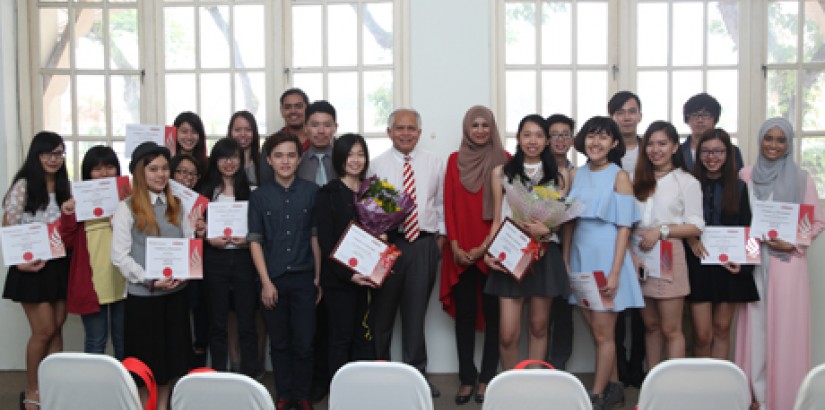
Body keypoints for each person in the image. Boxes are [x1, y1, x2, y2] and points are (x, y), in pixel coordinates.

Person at [735, 118, 824, 410]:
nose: (773, 145)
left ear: (788, 144)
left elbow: (817, 222)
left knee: (785, 330)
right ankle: (756, 397)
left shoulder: (802, 179)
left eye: (780, 140)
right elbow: (739, 220)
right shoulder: (745, 175)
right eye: (768, 138)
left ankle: (785, 397)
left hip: (788, 263)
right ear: (760, 140)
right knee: (756, 328)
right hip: (754, 259)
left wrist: (794, 243)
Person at [565, 116, 644, 410]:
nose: (595, 142)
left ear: (613, 143)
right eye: (591, 136)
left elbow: (625, 227)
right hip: (581, 256)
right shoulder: (577, 174)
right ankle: (615, 387)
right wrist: (566, 260)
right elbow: (569, 221)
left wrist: (614, 273)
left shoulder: (619, 176)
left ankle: (596, 395)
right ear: (584, 140)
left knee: (603, 332)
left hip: (607, 257)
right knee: (595, 327)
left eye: (603, 137)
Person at [110, 142, 195, 409]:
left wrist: (185, 273)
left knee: (171, 361)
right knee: (147, 363)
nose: (161, 175)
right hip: (144, 299)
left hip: (175, 297)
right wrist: (149, 279)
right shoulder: (127, 208)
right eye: (153, 169)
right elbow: (119, 256)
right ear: (140, 173)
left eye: (164, 169)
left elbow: (189, 244)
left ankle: (162, 405)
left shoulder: (178, 206)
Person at [367, 108, 445, 398]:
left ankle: (417, 376)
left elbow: (440, 205)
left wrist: (439, 240)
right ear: (389, 132)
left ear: (419, 132)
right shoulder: (376, 165)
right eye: (399, 128)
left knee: (415, 315)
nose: (406, 133)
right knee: (382, 314)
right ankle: (381, 373)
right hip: (389, 245)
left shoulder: (434, 163)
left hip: (423, 244)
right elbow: (371, 211)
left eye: (411, 128)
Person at [483, 114, 568, 371]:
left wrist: (549, 226)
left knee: (539, 327)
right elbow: (497, 218)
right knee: (508, 333)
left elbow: (562, 219)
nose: (533, 141)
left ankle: (534, 383)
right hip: (510, 254)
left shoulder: (560, 174)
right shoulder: (502, 173)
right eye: (527, 135)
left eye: (539, 135)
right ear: (518, 138)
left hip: (544, 253)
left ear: (547, 141)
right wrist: (489, 251)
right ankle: (511, 386)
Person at [440, 106, 507, 405]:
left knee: (495, 319)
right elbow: (449, 205)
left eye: (485, 125)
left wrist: (484, 248)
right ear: (467, 129)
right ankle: (467, 378)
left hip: (492, 251)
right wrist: (454, 245)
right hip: (461, 251)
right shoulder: (454, 161)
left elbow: (508, 211)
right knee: (464, 317)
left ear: (492, 128)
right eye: (474, 125)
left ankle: (487, 379)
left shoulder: (504, 161)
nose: (480, 130)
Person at [248, 133, 320, 410]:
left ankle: (301, 395)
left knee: (304, 342)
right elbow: (255, 241)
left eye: (291, 155)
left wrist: (317, 278)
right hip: (273, 278)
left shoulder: (311, 192)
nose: (285, 161)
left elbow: (314, 238)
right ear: (269, 160)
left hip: (303, 277)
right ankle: (283, 395)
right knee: (279, 342)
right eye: (278, 155)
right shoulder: (260, 197)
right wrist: (265, 282)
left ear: (299, 159)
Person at [2, 131, 71, 410]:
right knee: (43, 331)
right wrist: (19, 260)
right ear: (36, 155)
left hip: (59, 264)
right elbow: (8, 226)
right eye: (47, 154)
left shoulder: (67, 186)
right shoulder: (23, 185)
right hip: (30, 267)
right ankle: (32, 390)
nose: (53, 159)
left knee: (56, 329)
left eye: (58, 153)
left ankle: (52, 388)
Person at [632, 121, 704, 370]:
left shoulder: (687, 182)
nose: (655, 149)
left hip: (667, 254)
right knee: (650, 327)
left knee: (671, 328)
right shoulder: (635, 180)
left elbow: (696, 226)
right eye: (650, 144)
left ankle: (674, 390)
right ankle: (653, 387)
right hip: (638, 255)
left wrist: (660, 231)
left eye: (662, 143)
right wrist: (632, 254)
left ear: (674, 147)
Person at [685, 129, 759, 361]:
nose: (711, 157)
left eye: (718, 151)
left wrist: (745, 265)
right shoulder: (689, 184)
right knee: (702, 334)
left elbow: (750, 229)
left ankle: (720, 388)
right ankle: (701, 388)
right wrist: (691, 238)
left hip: (730, 268)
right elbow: (677, 221)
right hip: (698, 265)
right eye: (706, 151)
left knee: (722, 329)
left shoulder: (739, 187)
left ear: (728, 154)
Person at [314, 133, 376, 383]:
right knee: (340, 338)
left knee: (364, 337)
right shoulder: (327, 194)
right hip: (340, 280)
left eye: (360, 154)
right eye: (350, 154)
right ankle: (340, 394)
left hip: (369, 278)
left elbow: (383, 232)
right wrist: (351, 275)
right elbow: (326, 243)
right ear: (339, 158)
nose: (356, 160)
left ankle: (361, 391)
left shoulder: (374, 191)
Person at [198, 138, 258, 376]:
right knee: (218, 322)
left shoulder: (252, 190)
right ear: (215, 160)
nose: (229, 162)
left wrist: (249, 238)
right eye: (223, 157)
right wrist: (207, 238)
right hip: (215, 260)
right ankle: (219, 374)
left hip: (245, 260)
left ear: (241, 159)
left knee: (247, 321)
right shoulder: (205, 191)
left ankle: (250, 374)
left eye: (233, 157)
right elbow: (195, 229)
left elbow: (259, 228)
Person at [59, 146, 126, 360]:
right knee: (96, 340)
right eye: (96, 169)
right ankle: (95, 391)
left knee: (123, 339)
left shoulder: (127, 199)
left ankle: (126, 389)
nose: (104, 173)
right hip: (92, 283)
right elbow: (66, 242)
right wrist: (68, 214)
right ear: (87, 172)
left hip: (124, 279)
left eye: (109, 167)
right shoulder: (78, 202)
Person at [608, 91, 647, 387]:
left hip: (648, 236)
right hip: (616, 235)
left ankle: (639, 368)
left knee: (646, 310)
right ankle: (619, 370)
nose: (626, 117)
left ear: (640, 115)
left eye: (631, 111)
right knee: (618, 310)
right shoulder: (605, 151)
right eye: (620, 112)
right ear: (612, 117)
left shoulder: (653, 148)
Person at [170, 154, 209, 367]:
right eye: (182, 171)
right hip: (165, 267)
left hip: (193, 268)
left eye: (193, 174)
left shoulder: (200, 203)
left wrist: (202, 231)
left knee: (197, 316)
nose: (187, 177)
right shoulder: (157, 199)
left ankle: (196, 366)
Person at [545, 113, 575, 371]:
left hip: (567, 246)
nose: (560, 139)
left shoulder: (579, 173)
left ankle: (558, 366)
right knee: (539, 314)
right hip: (538, 245)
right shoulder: (537, 171)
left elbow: (570, 221)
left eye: (565, 134)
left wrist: (566, 257)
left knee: (563, 309)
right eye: (554, 134)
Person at [681, 93, 743, 171]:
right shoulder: (678, 152)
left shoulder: (732, 151)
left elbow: (735, 179)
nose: (700, 120)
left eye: (706, 115)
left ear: (715, 119)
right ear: (687, 119)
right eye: (695, 115)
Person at [260, 88, 310, 183]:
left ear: (307, 109)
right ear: (281, 111)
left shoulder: (319, 142)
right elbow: (266, 182)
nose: (293, 111)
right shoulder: (270, 143)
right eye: (287, 107)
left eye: (298, 106)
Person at [227, 110, 262, 186]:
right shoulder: (223, 163)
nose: (243, 134)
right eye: (237, 130)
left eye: (248, 130)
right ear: (230, 132)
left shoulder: (263, 162)